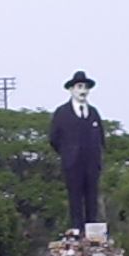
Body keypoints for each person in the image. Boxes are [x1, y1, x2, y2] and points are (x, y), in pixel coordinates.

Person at [49, 70, 105, 233]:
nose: (83, 90)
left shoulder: (93, 112)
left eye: (85, 87)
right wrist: (67, 152)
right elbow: (54, 138)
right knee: (75, 194)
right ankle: (76, 226)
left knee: (92, 194)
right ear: (72, 89)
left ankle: (92, 225)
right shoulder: (62, 112)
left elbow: (101, 137)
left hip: (92, 161)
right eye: (79, 86)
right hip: (72, 162)